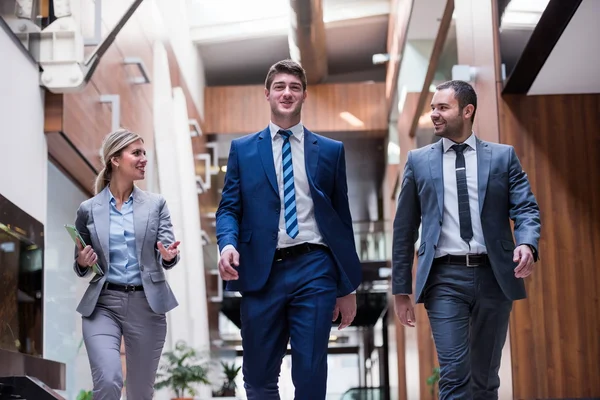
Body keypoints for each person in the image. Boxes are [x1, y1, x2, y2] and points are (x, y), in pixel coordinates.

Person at [215, 59, 362, 400]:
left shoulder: (329, 151)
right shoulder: (242, 150)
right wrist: (227, 245)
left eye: (294, 87)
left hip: (315, 267)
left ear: (304, 95)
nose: (287, 93)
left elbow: (342, 220)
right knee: (258, 378)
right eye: (280, 86)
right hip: (260, 271)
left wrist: (348, 286)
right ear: (267, 94)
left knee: (311, 376)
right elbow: (229, 209)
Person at [392, 80, 541, 400]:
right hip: (443, 278)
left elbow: (526, 207)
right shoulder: (419, 161)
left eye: (442, 107)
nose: (434, 114)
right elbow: (404, 227)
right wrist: (401, 288)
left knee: (486, 378)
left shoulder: (503, 157)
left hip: (494, 276)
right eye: (432, 107)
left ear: (467, 110)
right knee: (455, 374)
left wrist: (526, 243)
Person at [73, 128, 181, 400]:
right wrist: (83, 262)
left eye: (144, 152)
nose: (144, 158)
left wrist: (168, 256)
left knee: (140, 393)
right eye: (136, 153)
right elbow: (80, 262)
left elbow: (168, 249)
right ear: (115, 159)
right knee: (109, 381)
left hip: (147, 304)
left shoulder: (156, 204)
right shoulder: (88, 209)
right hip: (103, 304)